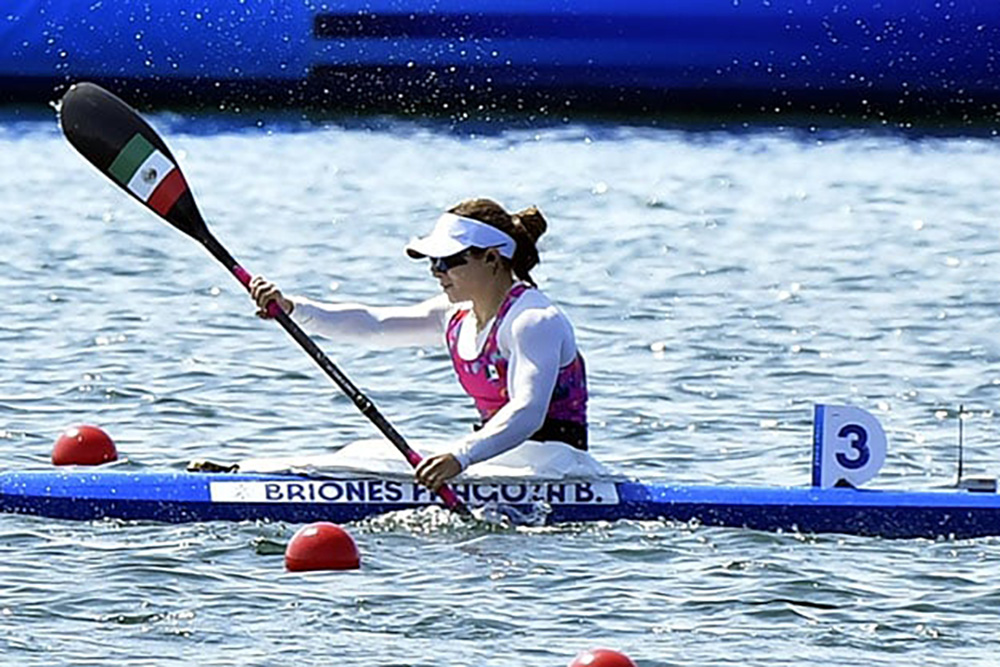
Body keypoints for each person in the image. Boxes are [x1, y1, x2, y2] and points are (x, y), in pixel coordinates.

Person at [249, 198, 588, 493]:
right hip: (500, 461)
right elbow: (373, 326)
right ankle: (247, 473)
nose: (435, 271)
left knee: (372, 463)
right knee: (366, 453)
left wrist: (461, 456)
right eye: (431, 262)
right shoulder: (455, 314)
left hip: (556, 467)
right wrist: (293, 307)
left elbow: (528, 411)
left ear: (491, 258)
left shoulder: (534, 319)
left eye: (446, 261)